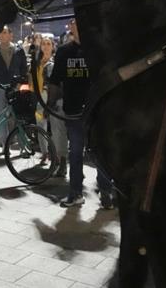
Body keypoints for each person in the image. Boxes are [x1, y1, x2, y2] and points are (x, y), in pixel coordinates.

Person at [48, 19, 114, 208]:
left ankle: (106, 192)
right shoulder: (63, 51)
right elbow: (55, 80)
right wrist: (50, 103)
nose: (78, 25)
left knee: (100, 153)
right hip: (74, 112)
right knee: (75, 153)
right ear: (71, 27)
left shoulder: (98, 50)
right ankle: (75, 193)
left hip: (96, 112)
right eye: (75, 22)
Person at [0, 26, 28, 145]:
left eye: (4, 32)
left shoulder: (19, 50)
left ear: (11, 35)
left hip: (15, 88)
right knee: (1, 118)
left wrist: (21, 84)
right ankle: (5, 144)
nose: (2, 35)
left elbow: (24, 69)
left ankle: (21, 144)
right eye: (0, 33)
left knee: (16, 117)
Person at [31, 33, 67, 177]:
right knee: (40, 125)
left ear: (53, 47)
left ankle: (61, 160)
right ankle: (45, 153)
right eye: (43, 44)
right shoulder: (37, 62)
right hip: (40, 97)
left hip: (53, 100)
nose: (45, 46)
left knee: (58, 130)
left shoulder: (55, 63)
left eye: (48, 44)